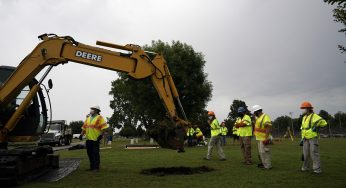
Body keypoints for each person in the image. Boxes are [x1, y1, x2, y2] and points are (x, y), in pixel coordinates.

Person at [300, 101, 327, 174]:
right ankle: (305, 168)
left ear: (308, 108)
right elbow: (302, 128)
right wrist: (302, 138)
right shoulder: (304, 117)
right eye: (303, 108)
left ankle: (317, 169)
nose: (303, 110)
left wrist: (316, 126)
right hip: (305, 137)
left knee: (314, 153)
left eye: (304, 108)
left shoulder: (314, 116)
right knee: (305, 154)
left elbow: (323, 122)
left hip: (312, 137)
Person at [79, 106, 109, 171]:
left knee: (95, 153)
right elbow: (84, 127)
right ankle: (92, 167)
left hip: (96, 139)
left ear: (97, 110)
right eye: (91, 109)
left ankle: (96, 167)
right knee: (89, 153)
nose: (91, 110)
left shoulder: (99, 117)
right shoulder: (88, 118)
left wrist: (101, 135)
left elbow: (104, 127)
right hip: (88, 139)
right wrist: (81, 135)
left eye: (93, 109)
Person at [252, 105, 272, 170]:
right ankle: (264, 165)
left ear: (257, 111)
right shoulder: (258, 118)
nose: (254, 114)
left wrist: (266, 138)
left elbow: (268, 128)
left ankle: (267, 166)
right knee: (261, 153)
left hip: (264, 138)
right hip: (259, 138)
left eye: (254, 112)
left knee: (265, 152)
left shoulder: (265, 117)